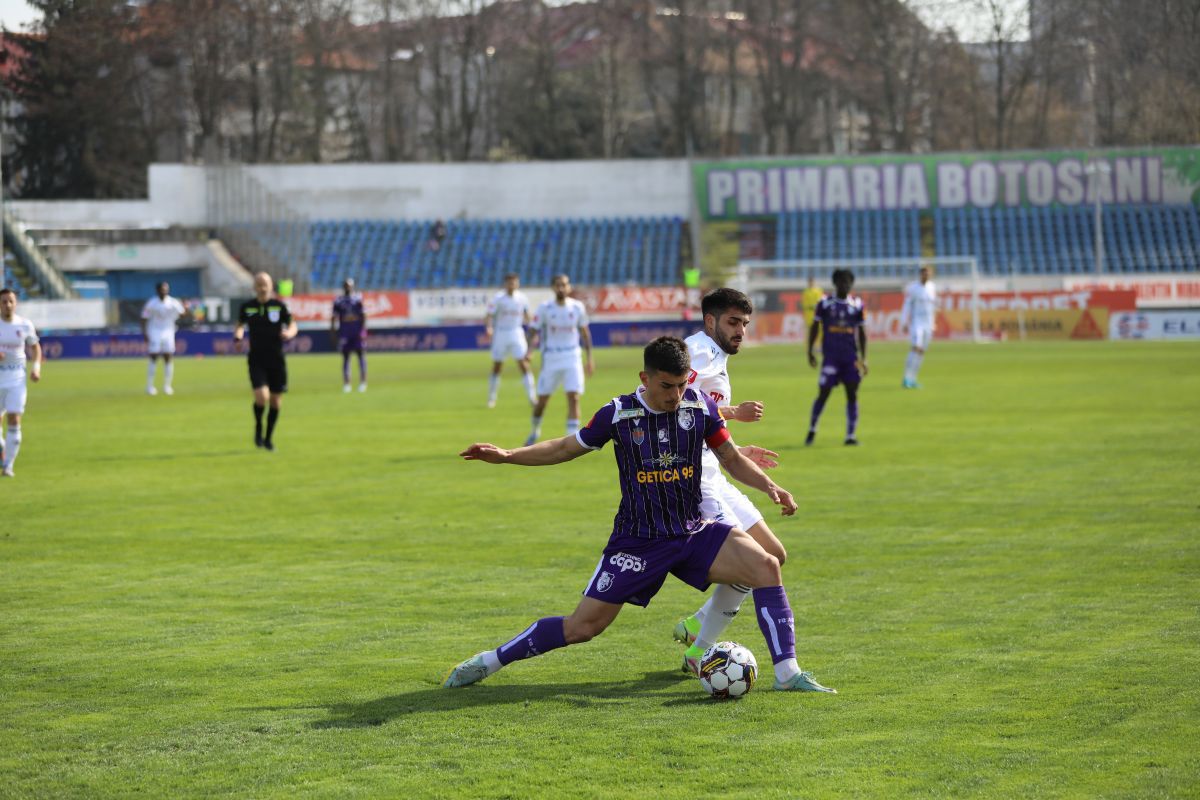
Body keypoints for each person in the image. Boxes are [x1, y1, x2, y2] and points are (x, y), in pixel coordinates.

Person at [445, 336, 835, 693]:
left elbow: (731, 459)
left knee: (767, 565)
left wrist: (770, 486)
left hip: (692, 532)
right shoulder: (618, 413)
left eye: (683, 384)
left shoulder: (700, 409)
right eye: (667, 386)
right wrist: (509, 455)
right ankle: (487, 662)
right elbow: (565, 447)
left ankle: (787, 674)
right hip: (639, 541)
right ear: (644, 378)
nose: (676, 394)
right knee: (582, 628)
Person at [672, 288, 791, 675]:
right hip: (695, 479)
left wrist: (736, 449)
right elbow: (674, 401)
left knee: (775, 554)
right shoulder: (699, 351)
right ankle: (699, 650)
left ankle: (694, 625)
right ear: (711, 321)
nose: (741, 330)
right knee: (756, 563)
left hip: (715, 468)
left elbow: (702, 417)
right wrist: (733, 412)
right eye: (733, 322)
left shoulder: (715, 353)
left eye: (744, 324)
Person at [525, 274, 594, 446]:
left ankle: (572, 440)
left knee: (574, 396)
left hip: (572, 357)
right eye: (558, 285)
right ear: (553, 288)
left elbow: (585, 333)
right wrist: (529, 350)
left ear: (569, 287)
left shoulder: (577, 307)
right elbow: (533, 330)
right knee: (542, 402)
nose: (561, 288)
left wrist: (590, 358)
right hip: (551, 358)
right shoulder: (545, 308)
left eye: (564, 285)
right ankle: (534, 431)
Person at [233, 272, 297, 452]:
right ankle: (258, 427)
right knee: (262, 397)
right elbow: (239, 325)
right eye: (259, 284)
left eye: (265, 284)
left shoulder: (279, 306)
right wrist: (238, 338)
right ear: (254, 287)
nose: (262, 287)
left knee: (276, 402)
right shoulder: (247, 307)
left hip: (276, 360)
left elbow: (292, 324)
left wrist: (290, 333)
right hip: (256, 359)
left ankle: (268, 438)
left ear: (271, 286)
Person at [805, 269, 867, 446]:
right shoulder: (824, 303)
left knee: (852, 394)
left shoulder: (857, 305)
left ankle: (850, 435)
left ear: (851, 284)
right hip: (831, 358)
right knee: (823, 394)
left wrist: (865, 358)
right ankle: (812, 429)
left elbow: (862, 332)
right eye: (841, 281)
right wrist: (810, 350)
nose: (844, 284)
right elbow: (814, 327)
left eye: (847, 282)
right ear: (835, 283)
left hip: (850, 359)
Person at [0, 288, 42, 478]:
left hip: (16, 378)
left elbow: (35, 347)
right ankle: (3, 450)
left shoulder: (25, 325)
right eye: (4, 302)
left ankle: (8, 465)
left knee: (14, 419)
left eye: (11, 301)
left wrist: (36, 368)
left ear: (16, 303)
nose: (7, 305)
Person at [484, 273, 536, 408]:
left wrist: (532, 328)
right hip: (501, 333)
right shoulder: (498, 298)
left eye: (514, 282)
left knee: (524, 364)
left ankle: (532, 397)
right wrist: (489, 328)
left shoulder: (522, 298)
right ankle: (491, 398)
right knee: (497, 366)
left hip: (516, 332)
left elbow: (527, 315)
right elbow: (489, 315)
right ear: (505, 284)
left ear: (518, 283)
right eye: (509, 283)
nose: (512, 285)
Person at [141, 281, 188, 395]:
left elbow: (182, 314)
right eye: (162, 289)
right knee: (154, 356)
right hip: (154, 331)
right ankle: (150, 386)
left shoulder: (173, 302)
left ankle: (167, 386)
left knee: (168, 357)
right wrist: (145, 333)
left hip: (168, 331)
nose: (164, 291)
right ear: (157, 290)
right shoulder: (152, 303)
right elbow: (144, 317)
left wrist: (185, 308)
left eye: (166, 289)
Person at [901, 265, 937, 388]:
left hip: (928, 324)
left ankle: (913, 378)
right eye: (924, 273)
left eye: (928, 273)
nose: (926, 275)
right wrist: (904, 321)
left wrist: (933, 323)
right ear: (920, 274)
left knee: (921, 351)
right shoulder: (913, 288)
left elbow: (932, 307)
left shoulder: (932, 287)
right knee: (915, 347)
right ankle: (906, 377)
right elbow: (907, 305)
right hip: (917, 323)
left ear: (930, 274)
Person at [331, 278, 367, 393]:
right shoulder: (339, 300)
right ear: (343, 287)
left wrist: (363, 331)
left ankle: (363, 382)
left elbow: (364, 315)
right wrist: (333, 330)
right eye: (346, 285)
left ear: (353, 286)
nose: (348, 287)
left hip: (356, 331)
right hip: (345, 332)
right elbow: (334, 317)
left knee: (361, 356)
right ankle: (347, 384)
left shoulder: (358, 299)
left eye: (349, 285)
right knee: (346, 358)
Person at [801, 274, 825, 340]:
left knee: (820, 330)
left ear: (814, 282)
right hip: (809, 314)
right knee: (809, 331)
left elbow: (821, 300)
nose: (811, 283)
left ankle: (819, 346)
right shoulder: (806, 292)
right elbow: (804, 304)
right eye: (810, 282)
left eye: (812, 281)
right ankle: (810, 346)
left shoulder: (819, 290)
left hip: (818, 313)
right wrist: (809, 307)